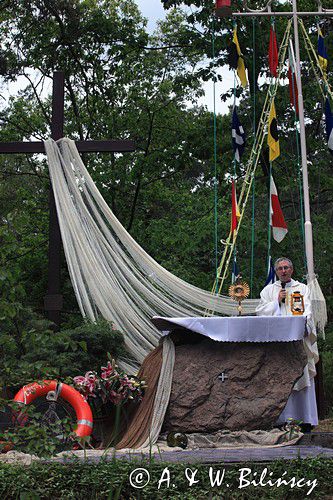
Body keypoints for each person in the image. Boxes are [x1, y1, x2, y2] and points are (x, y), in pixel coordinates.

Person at [256, 257, 319, 429]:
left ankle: (305, 418)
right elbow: (260, 312)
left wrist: (305, 325)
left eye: (286, 268)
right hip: (279, 345)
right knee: (280, 378)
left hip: (298, 342)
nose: (283, 271)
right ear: (276, 272)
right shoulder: (269, 290)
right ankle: (281, 419)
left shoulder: (302, 288)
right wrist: (276, 301)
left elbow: (309, 312)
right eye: (279, 269)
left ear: (291, 270)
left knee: (302, 376)